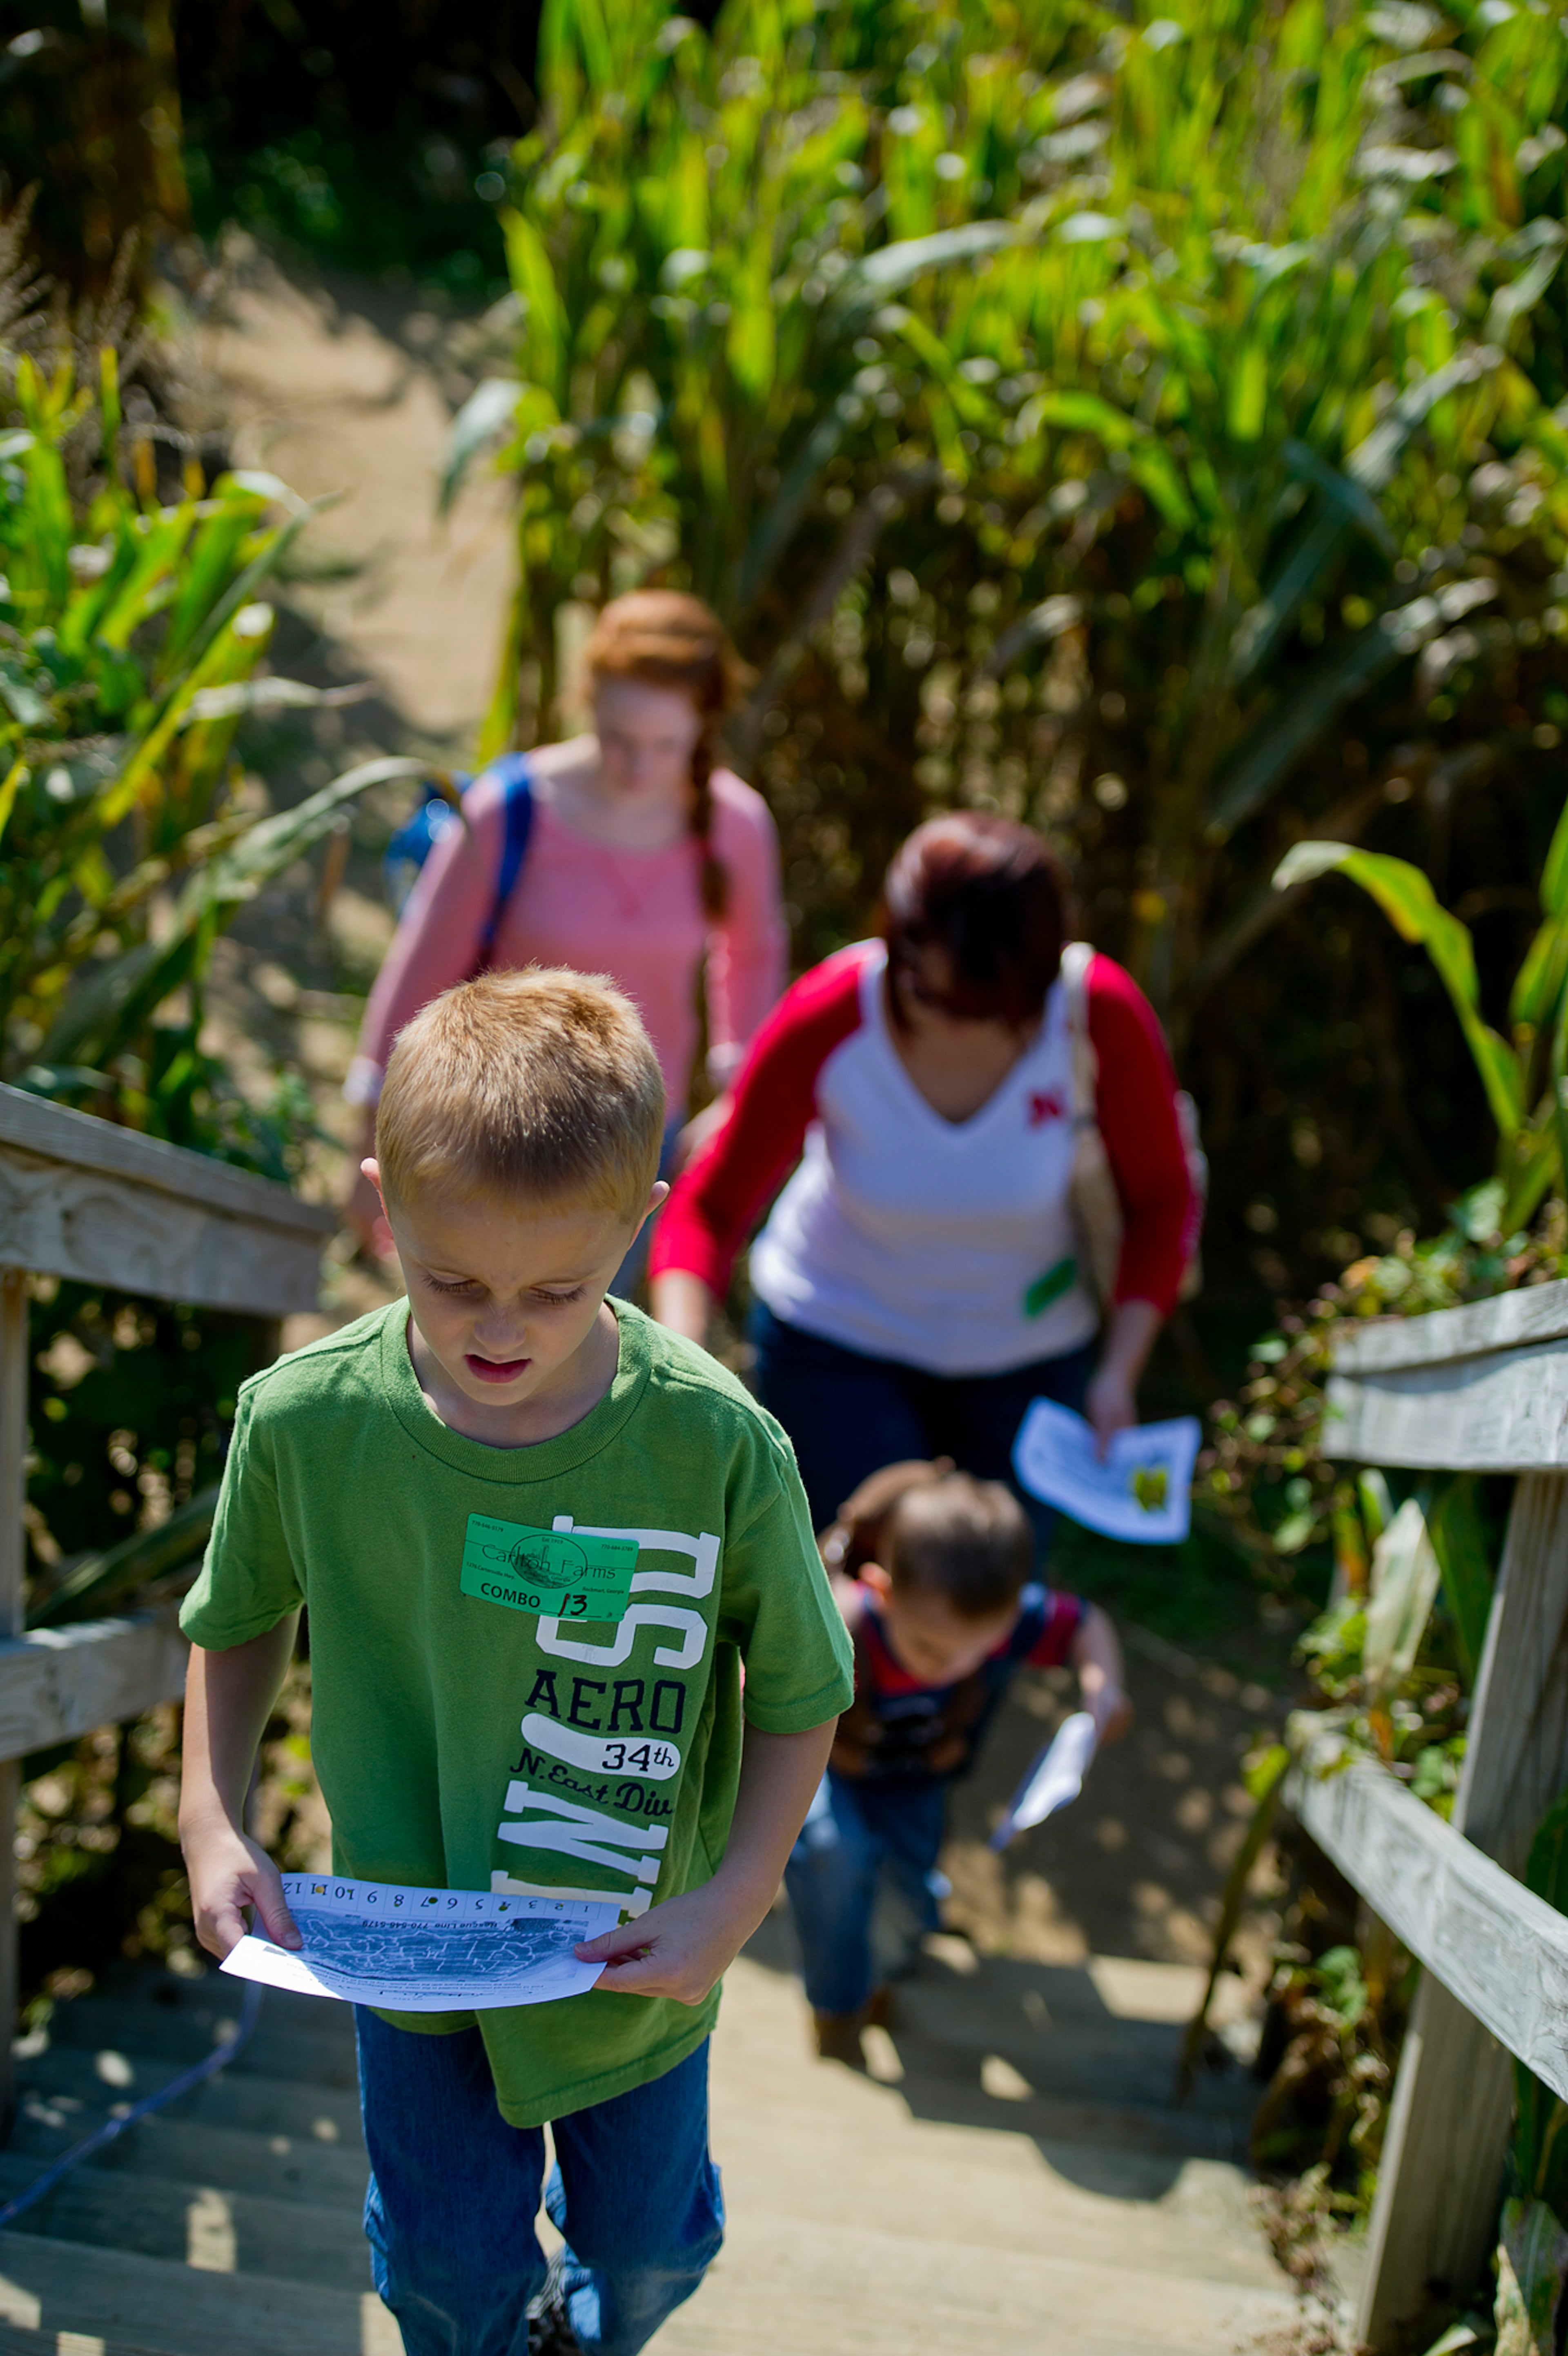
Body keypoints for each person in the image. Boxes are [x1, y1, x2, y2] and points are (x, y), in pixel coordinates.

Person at [178, 969, 853, 2356]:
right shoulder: (305, 1424)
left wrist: (741, 1894)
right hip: (410, 1946)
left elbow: (799, 1689)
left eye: (557, 1289)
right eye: (450, 1282)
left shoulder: (719, 1447)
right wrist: (211, 1816)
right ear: (384, 1207)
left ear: (641, 1224)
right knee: (441, 2273)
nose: (500, 1330)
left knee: (649, 2248)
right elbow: (239, 1613)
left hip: (630, 1957)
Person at [650, 811, 1196, 1534]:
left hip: (1028, 1361)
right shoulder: (835, 1010)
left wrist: (1119, 1374)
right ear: (896, 947)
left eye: (994, 1009)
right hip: (837, 1344)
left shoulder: (1097, 1015)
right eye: (935, 998)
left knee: (981, 1616)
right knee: (848, 1611)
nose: (961, 1026)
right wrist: (684, 1366)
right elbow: (706, 1207)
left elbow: (1163, 1201)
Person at [346, 590, 788, 1292]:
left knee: (580, 1348)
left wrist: (739, 1090)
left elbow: (753, 952)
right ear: (588, 702)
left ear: (705, 723)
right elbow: (419, 964)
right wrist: (367, 1128)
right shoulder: (511, 807)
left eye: (666, 746)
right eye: (618, 738)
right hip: (486, 1121)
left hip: (638, 1136)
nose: (637, 768)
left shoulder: (735, 826)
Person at [788, 1460, 1129, 2066]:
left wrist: (1103, 1687)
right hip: (827, 1768)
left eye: (977, 1650)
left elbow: (1086, 1624)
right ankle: (836, 2008)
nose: (945, 1667)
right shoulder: (839, 1621)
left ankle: (880, 1975)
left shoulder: (990, 1615)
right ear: (882, 1588)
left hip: (915, 1781)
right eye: (926, 1647)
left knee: (906, 1904)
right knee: (831, 1853)